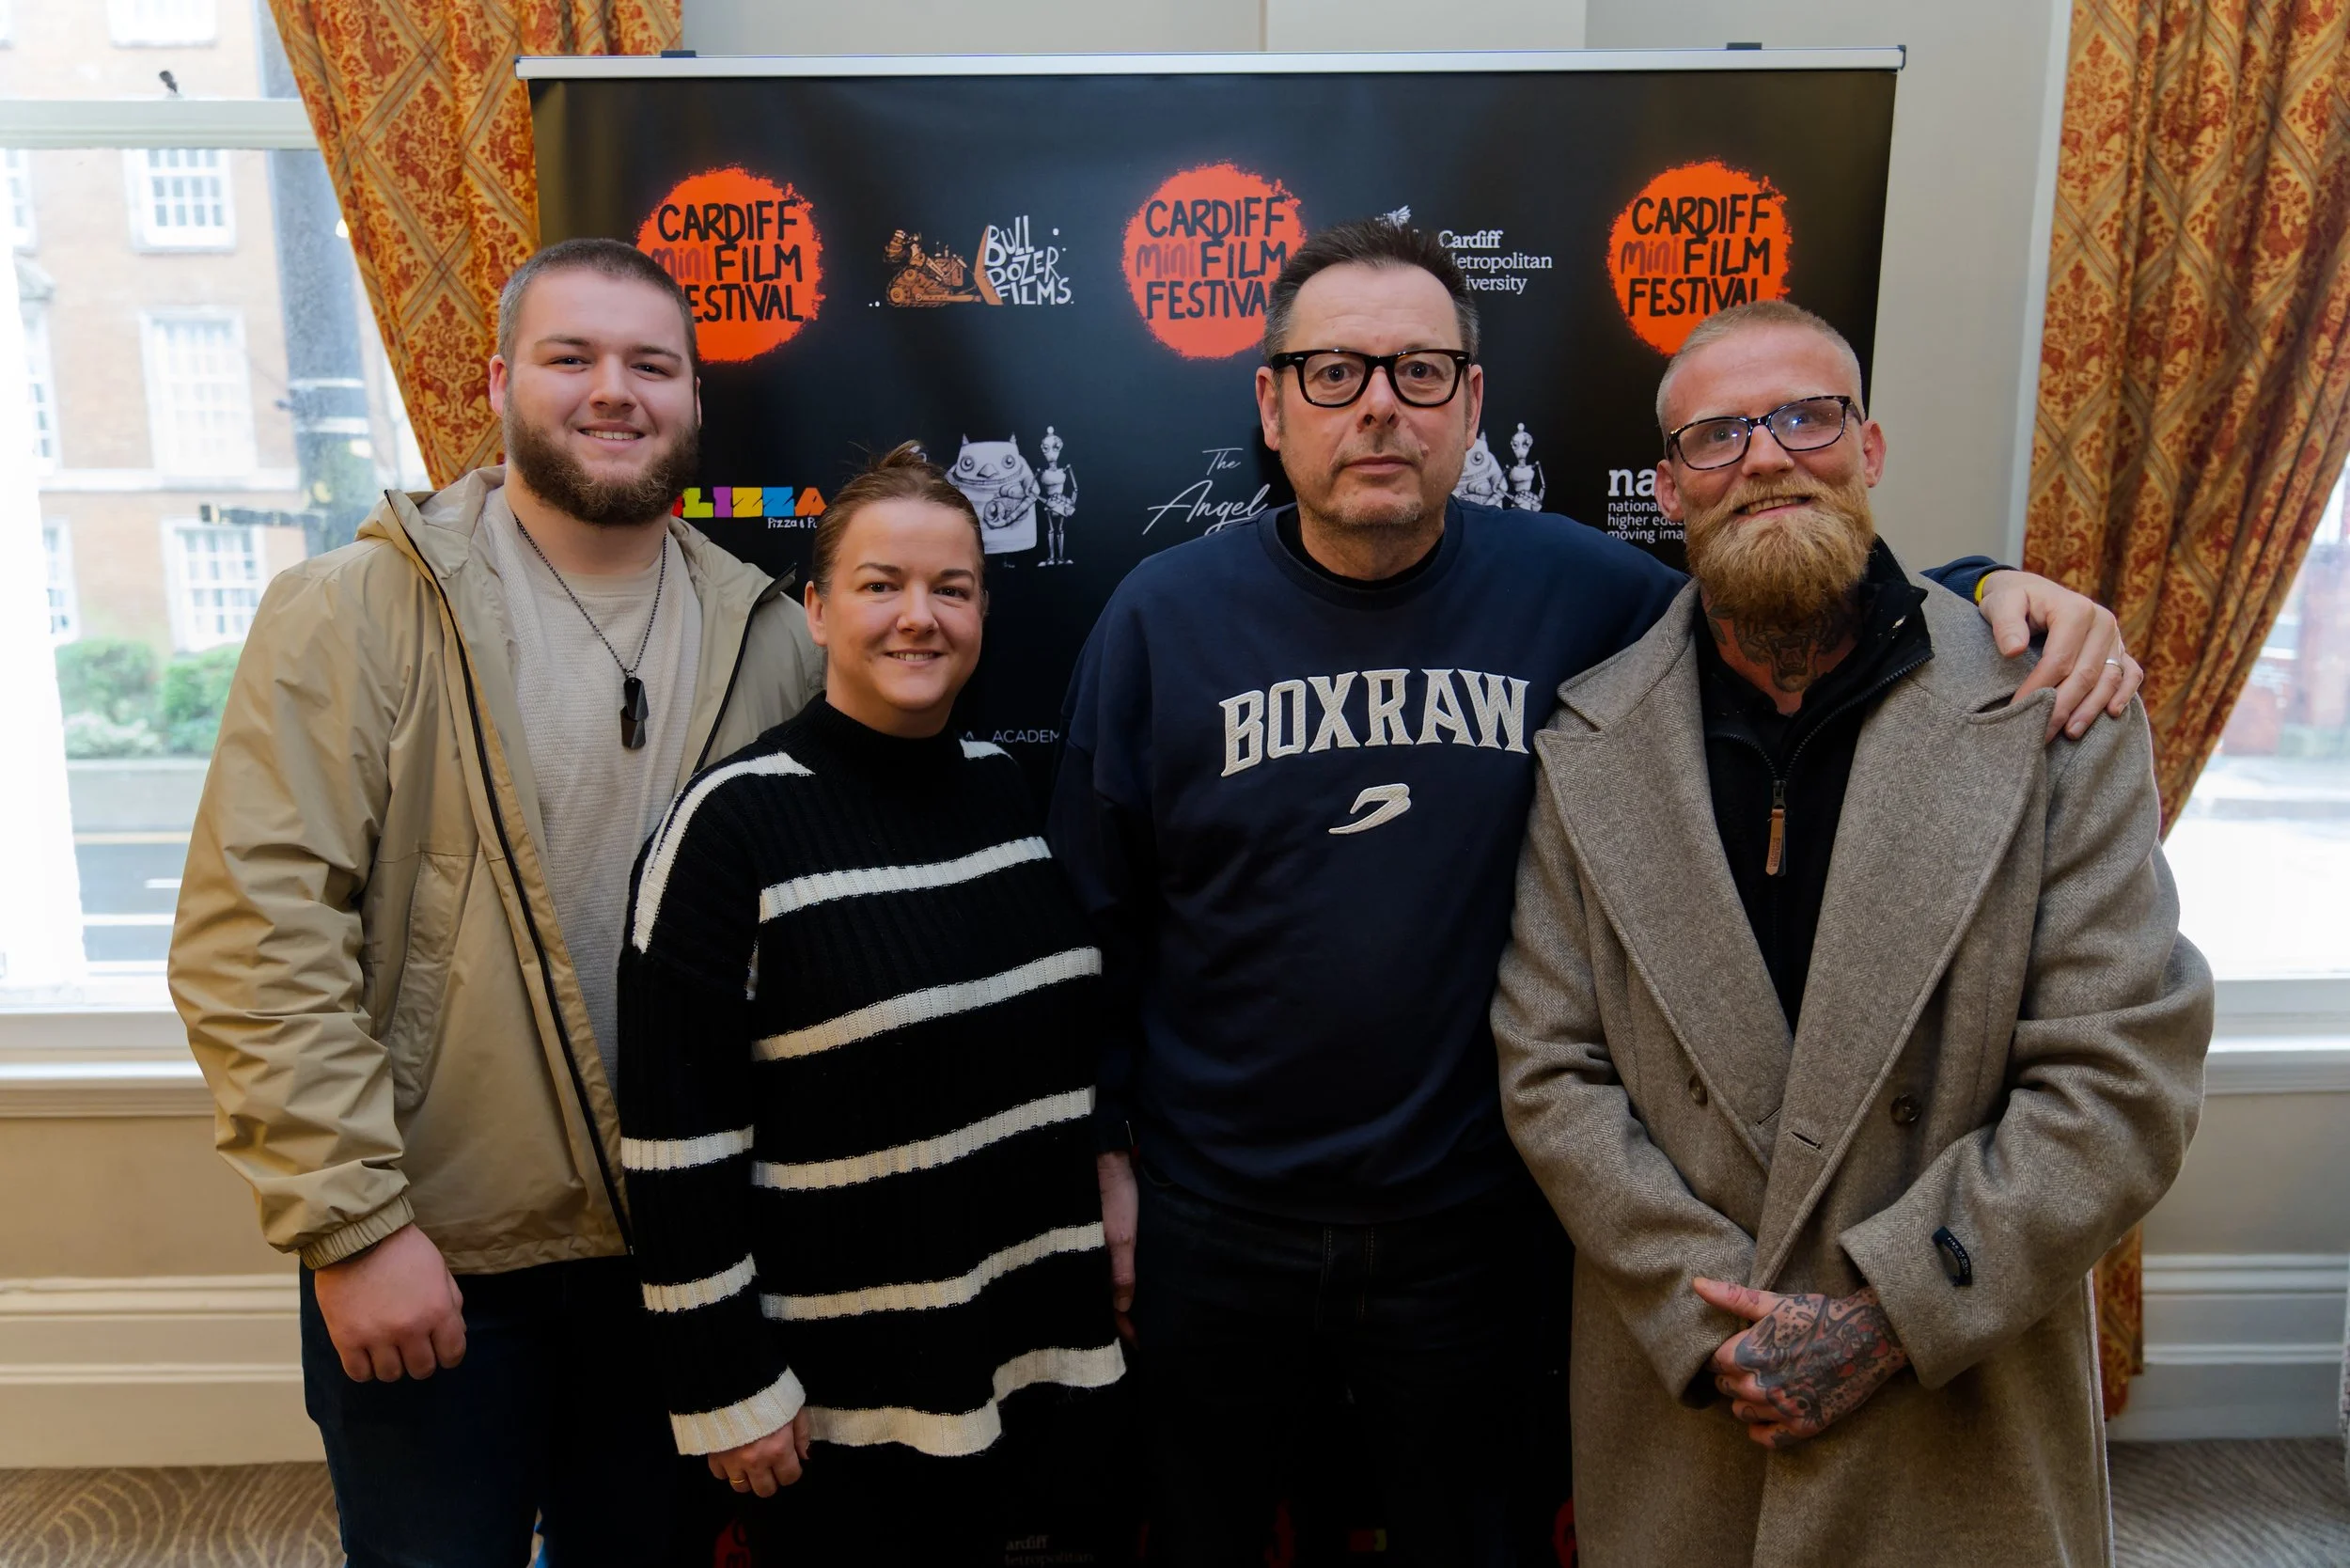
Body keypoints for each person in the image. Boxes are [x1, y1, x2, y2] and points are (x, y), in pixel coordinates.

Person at [1050, 218, 2146, 1567]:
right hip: (1217, 1215)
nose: (1379, 405)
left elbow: (1801, 583)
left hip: (1478, 1229)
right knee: (1208, 1537)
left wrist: (1994, 593)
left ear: (1474, 405)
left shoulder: (1590, 594)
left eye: (1421, 371)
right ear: (1270, 406)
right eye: (1332, 373)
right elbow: (1092, 924)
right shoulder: (1158, 618)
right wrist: (1109, 1165)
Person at [1490, 299, 2212, 1566]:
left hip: (1952, 1400)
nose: (1766, 456)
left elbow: (2123, 1074)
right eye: (1716, 436)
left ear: (1867, 448)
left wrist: (1892, 1313)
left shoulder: (2056, 713)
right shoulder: (1585, 745)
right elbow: (1550, 1072)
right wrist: (1723, 1325)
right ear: (1668, 489)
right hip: (1698, 1413)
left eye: (1805, 416)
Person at [169, 237, 823, 1567]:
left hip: (682, 1262)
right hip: (439, 1251)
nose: (613, 391)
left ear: (697, 400)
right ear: (499, 379)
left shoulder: (774, 640)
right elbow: (256, 935)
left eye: (652, 364)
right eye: (570, 356)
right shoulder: (356, 613)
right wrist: (354, 1227)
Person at [618, 444, 1126, 1568]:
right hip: (843, 1413)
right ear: (815, 609)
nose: (919, 617)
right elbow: (673, 1148)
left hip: (1025, 1356)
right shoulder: (728, 830)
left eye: (951, 588)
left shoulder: (999, 785)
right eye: (880, 584)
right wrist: (728, 1384)